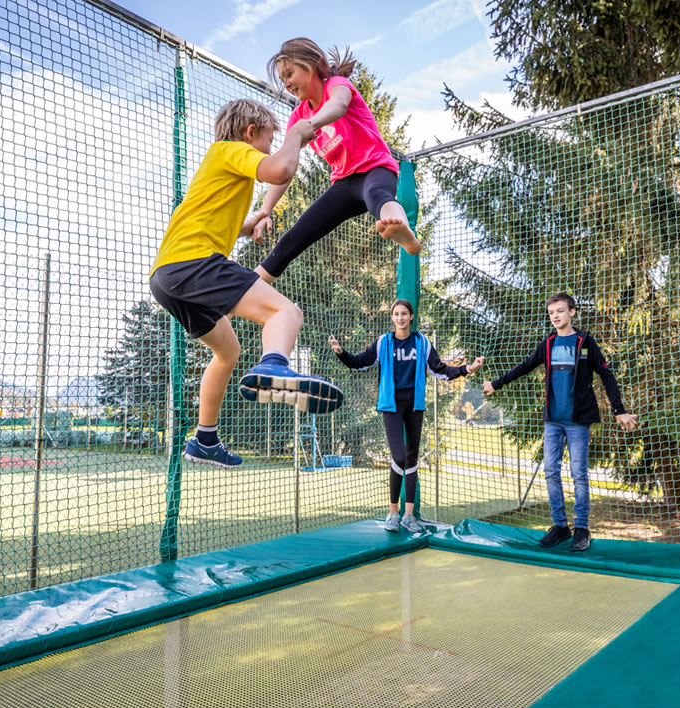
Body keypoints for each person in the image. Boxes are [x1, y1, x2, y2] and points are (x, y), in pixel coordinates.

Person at [149, 99, 343, 469]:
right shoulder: (231, 150)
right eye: (269, 139)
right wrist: (296, 135)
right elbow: (281, 169)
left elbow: (211, 221)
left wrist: (249, 224)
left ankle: (205, 439)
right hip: (194, 263)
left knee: (227, 351)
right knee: (285, 312)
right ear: (251, 133)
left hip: (166, 276)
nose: (270, 147)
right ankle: (274, 367)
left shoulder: (218, 165)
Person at [251, 37, 421, 284]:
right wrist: (265, 210)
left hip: (376, 168)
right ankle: (243, 293)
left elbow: (339, 105)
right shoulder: (298, 116)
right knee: (295, 236)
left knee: (377, 195)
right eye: (282, 79)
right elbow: (285, 169)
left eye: (290, 73)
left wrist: (310, 125)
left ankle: (403, 231)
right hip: (344, 184)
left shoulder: (336, 85)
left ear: (311, 65)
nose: (286, 83)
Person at [482, 293, 638, 551]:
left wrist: (619, 410)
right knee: (551, 472)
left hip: (578, 422)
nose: (555, 316)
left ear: (572, 312)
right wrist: (496, 384)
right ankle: (561, 527)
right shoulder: (548, 343)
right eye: (551, 312)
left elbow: (607, 376)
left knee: (578, 474)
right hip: (553, 421)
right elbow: (524, 366)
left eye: (561, 311)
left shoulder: (585, 342)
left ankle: (582, 530)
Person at [329, 299, 484, 533]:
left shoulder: (422, 343)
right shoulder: (384, 342)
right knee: (399, 457)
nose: (400, 317)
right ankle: (392, 513)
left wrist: (467, 369)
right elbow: (360, 362)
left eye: (404, 314)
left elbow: (440, 370)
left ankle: (408, 516)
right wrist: (341, 352)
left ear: (411, 317)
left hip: (414, 406)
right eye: (396, 314)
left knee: (411, 459)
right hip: (391, 405)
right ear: (392, 318)